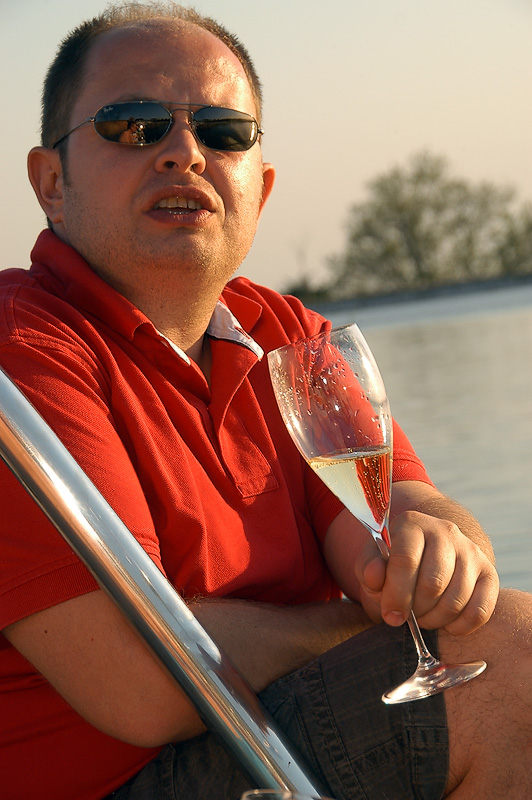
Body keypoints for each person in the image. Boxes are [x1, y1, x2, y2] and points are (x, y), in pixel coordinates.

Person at [0, 3, 530, 799]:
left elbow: (386, 518)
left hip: (255, 731)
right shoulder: (20, 355)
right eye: (134, 125)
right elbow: (142, 681)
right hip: (121, 776)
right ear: (52, 183)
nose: (184, 152)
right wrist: (379, 622)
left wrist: (441, 551)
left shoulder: (290, 337)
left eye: (224, 132)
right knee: (508, 667)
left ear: (262, 188)